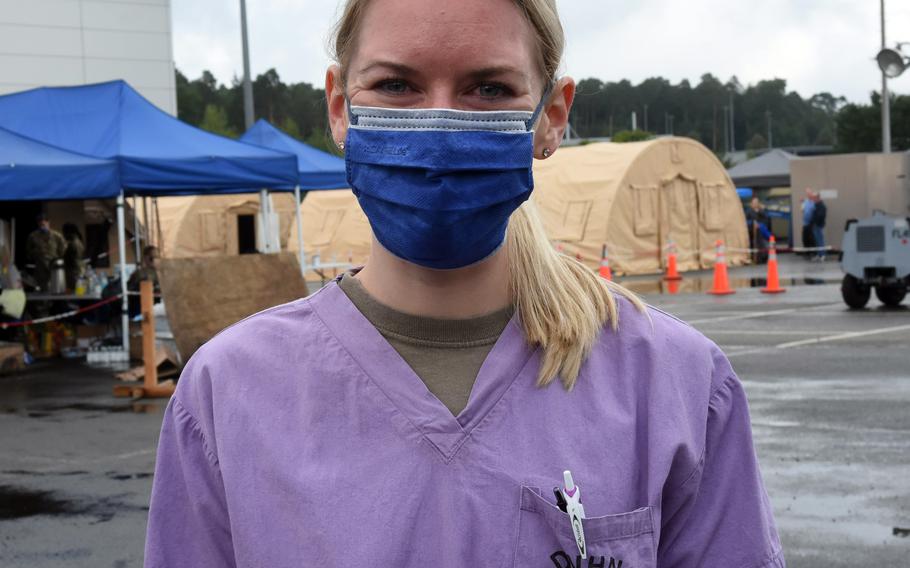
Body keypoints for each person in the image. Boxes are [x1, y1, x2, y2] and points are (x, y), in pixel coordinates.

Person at [145, 1, 785, 566]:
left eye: (489, 88)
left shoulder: (676, 386)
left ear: (551, 117)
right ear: (340, 108)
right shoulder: (227, 394)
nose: (441, 129)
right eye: (396, 84)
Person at [25, 212, 66, 291]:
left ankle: (55, 303)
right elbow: (28, 251)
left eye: (44, 224)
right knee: (43, 289)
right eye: (40, 225)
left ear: (48, 222)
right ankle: (44, 303)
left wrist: (57, 259)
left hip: (54, 266)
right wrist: (35, 253)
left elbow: (63, 250)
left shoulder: (57, 236)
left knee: (56, 288)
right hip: (40, 268)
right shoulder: (33, 236)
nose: (42, 226)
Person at [127, 246, 159, 318]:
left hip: (148, 308)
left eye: (158, 258)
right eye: (153, 258)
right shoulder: (140, 273)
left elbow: (129, 288)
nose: (156, 260)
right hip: (146, 308)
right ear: (146, 258)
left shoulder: (140, 273)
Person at [746, 196, 772, 264]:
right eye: (754, 203)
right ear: (751, 204)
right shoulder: (749, 212)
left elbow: (767, 220)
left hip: (762, 232)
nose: (755, 204)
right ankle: (755, 258)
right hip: (753, 233)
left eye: (757, 202)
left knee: (765, 245)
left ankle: (764, 258)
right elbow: (746, 222)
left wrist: (761, 212)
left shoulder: (762, 211)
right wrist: (753, 224)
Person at [62, 223, 85, 292]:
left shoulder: (74, 243)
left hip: (74, 272)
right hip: (75, 271)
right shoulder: (76, 242)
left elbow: (74, 259)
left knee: (74, 292)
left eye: (64, 232)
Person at [810, 190, 827, 261]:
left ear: (818, 198)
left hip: (818, 225)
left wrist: (816, 222)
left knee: (820, 240)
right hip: (815, 225)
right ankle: (819, 254)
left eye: (814, 198)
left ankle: (822, 255)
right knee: (817, 241)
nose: (813, 199)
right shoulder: (816, 205)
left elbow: (821, 216)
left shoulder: (821, 206)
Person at [801, 188, 816, 258]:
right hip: (805, 223)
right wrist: (801, 203)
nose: (809, 195)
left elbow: (815, 212)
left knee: (812, 238)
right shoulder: (805, 202)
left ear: (812, 194)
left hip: (812, 223)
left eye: (810, 194)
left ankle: (813, 252)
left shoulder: (814, 202)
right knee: (805, 238)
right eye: (808, 194)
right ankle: (806, 252)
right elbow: (802, 210)